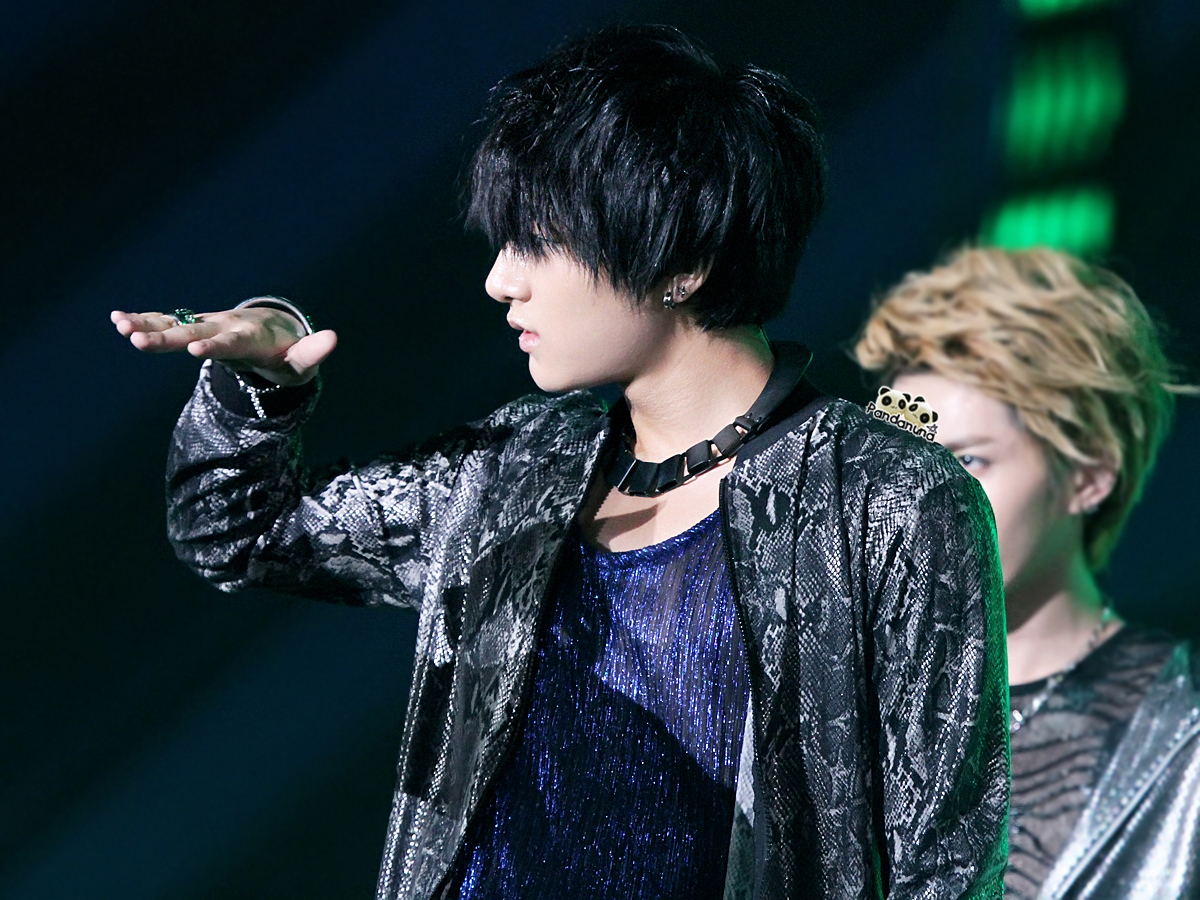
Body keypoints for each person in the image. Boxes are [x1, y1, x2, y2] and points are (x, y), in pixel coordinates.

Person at [112, 25, 1008, 900]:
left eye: (536, 242)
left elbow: (947, 863)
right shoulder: (514, 468)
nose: (501, 280)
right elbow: (240, 535)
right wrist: (261, 383)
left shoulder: (889, 501)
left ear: (685, 260)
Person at [855, 245, 1200, 900]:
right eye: (900, 461)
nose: (920, 502)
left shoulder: (1177, 744)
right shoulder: (834, 705)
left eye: (968, 464)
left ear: (1089, 476)